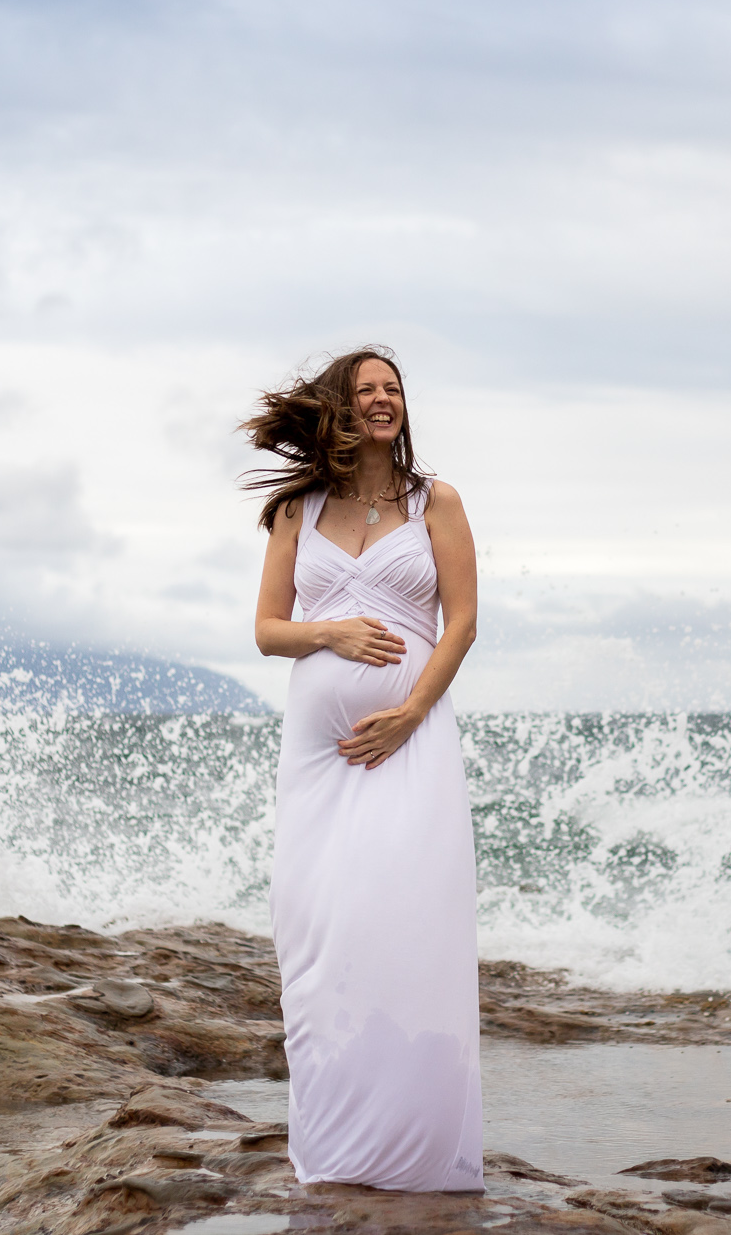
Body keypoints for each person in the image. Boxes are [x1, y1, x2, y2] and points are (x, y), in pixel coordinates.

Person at [242, 347, 484, 1191]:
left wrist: (412, 712)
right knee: (319, 931)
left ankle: (418, 1146)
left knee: (405, 924)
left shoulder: (435, 501)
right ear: (338, 409)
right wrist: (332, 632)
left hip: (410, 741)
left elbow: (460, 626)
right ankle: (336, 1147)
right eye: (366, 390)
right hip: (316, 758)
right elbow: (270, 629)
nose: (383, 400)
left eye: (394, 390)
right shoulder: (296, 509)